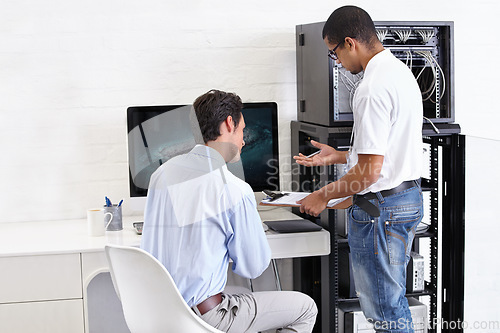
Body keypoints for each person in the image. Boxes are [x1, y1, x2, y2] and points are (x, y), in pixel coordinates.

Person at [141, 89, 317, 333]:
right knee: (305, 308)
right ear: (228, 123)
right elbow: (253, 267)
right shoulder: (234, 189)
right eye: (242, 130)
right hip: (204, 319)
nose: (244, 140)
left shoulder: (161, 174)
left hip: (160, 314)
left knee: (241, 293)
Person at [294, 6, 424, 333]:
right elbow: (388, 149)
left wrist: (322, 196)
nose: (337, 62)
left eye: (334, 52)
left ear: (350, 43)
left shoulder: (370, 88)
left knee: (384, 310)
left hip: (380, 209)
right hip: (407, 198)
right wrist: (338, 157)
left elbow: (368, 174)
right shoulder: (400, 72)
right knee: (393, 303)